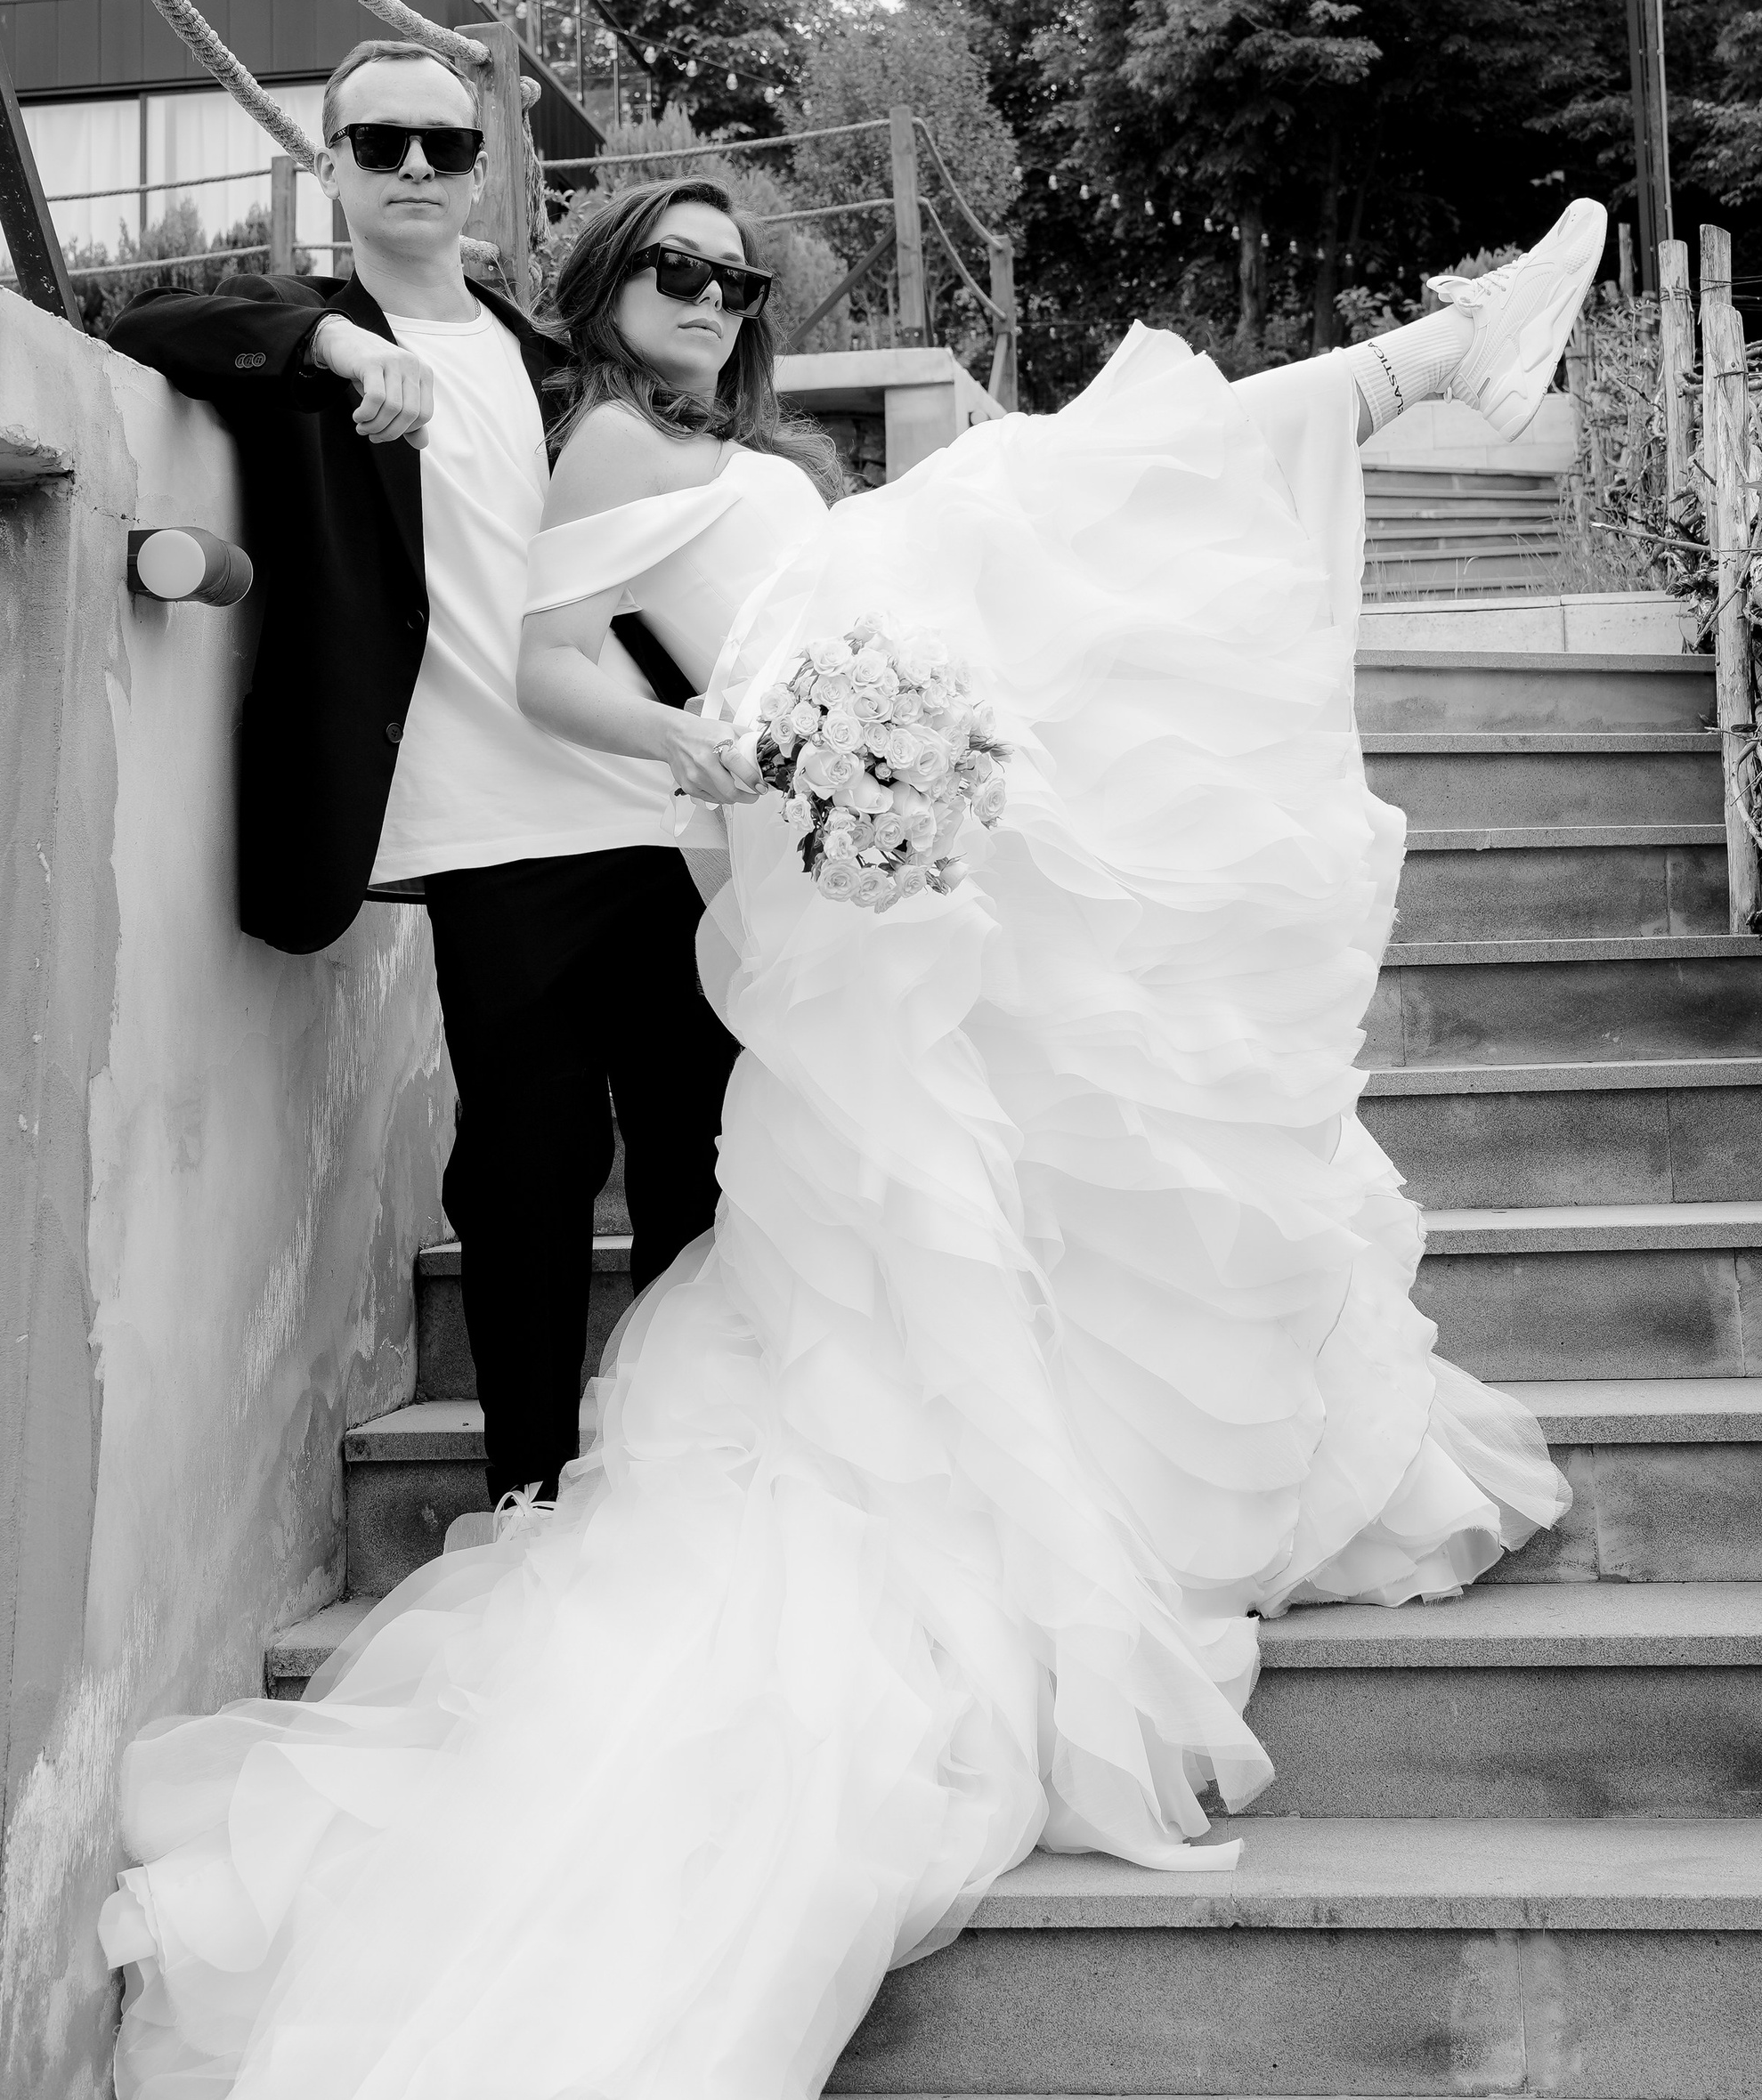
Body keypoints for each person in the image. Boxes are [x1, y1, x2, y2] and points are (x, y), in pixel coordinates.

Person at [101, 182, 1604, 2100]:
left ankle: (1416, 358)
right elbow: (556, 663)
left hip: (859, 858)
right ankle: (1420, 355)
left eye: (736, 279)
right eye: (673, 270)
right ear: (602, 293)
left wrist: (849, 750)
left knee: (1061, 553)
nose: (712, 300)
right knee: (1049, 503)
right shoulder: (607, 448)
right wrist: (726, 748)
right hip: (798, 871)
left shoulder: (746, 452)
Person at [107, 43, 746, 1507]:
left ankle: (684, 1477)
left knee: (693, 1151)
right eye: (378, 143)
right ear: (327, 163)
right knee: (524, 1171)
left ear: (482, 175)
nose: (413, 171)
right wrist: (336, 350)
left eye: (444, 151)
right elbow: (150, 319)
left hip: (649, 808)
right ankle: (532, 1487)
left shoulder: (550, 368)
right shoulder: (307, 340)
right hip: (486, 831)